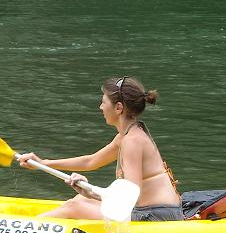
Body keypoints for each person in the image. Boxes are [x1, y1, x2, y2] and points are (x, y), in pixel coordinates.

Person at [17, 76, 183, 221]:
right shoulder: (126, 135)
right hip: (151, 211)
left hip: (157, 216)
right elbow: (91, 161)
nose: (100, 107)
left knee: (75, 206)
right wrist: (43, 163)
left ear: (118, 108)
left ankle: (23, 230)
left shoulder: (132, 140)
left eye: (103, 102)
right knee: (79, 201)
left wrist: (93, 192)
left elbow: (131, 193)